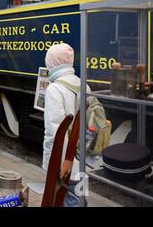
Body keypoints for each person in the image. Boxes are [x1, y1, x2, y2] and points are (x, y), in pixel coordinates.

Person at [42, 43, 89, 207]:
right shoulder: (83, 84)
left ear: (52, 63)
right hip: (82, 160)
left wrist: (51, 165)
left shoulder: (54, 89)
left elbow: (54, 133)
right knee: (80, 198)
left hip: (64, 163)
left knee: (65, 201)